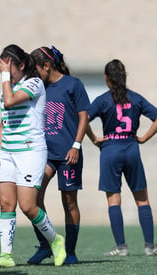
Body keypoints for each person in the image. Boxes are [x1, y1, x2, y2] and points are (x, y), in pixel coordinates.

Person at [0, 45, 66, 269]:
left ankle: (55, 240)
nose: (4, 72)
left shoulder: (34, 83)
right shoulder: (8, 86)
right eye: (1, 68)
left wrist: (4, 78)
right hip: (8, 152)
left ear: (21, 65)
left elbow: (10, 101)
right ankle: (6, 255)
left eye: (7, 67)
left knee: (28, 206)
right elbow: (5, 118)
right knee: (5, 204)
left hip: (31, 151)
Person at [86, 59, 157, 256]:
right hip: (131, 148)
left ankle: (122, 247)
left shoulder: (102, 100)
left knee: (114, 200)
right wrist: (143, 137)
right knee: (142, 199)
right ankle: (150, 246)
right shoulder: (136, 98)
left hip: (110, 149)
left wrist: (93, 139)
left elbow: (82, 119)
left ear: (106, 79)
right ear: (124, 77)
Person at [28, 46, 90, 265]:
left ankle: (70, 252)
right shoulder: (38, 88)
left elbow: (84, 117)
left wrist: (76, 145)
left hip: (68, 154)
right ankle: (47, 245)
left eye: (35, 71)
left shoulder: (73, 84)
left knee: (69, 202)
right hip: (44, 154)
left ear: (47, 65)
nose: (33, 76)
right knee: (33, 198)